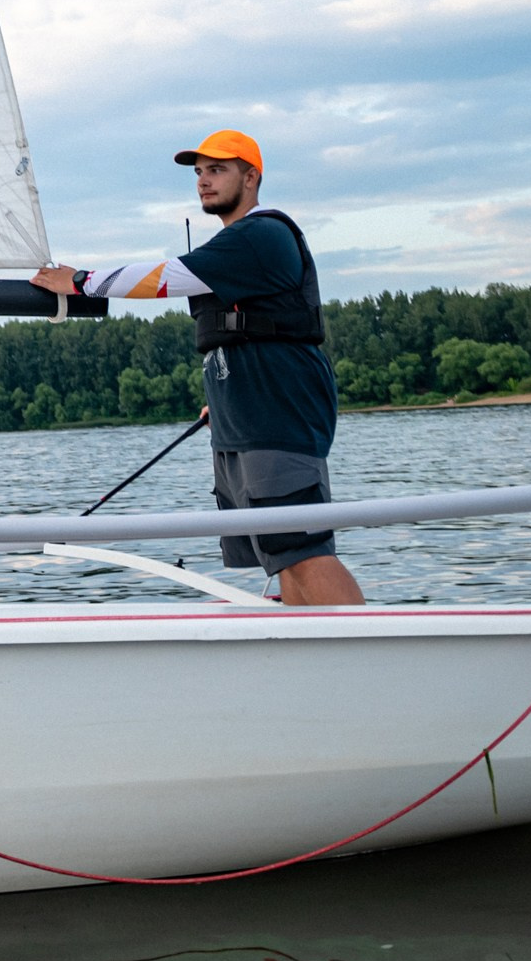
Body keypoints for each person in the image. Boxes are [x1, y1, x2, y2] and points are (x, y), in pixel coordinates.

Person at [29, 128, 361, 607]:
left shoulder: (263, 234)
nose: (204, 181)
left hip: (278, 418)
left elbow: (163, 279)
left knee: (302, 548)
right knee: (278, 553)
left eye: (218, 170)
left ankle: (367, 651)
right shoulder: (233, 248)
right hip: (240, 422)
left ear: (251, 178)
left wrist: (80, 281)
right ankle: (308, 651)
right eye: (200, 172)